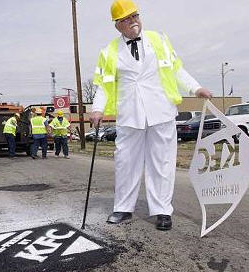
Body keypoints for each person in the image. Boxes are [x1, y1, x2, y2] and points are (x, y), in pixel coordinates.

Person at [90, 0, 212, 230]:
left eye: (134, 15)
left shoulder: (160, 40)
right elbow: (103, 85)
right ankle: (123, 208)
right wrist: (97, 108)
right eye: (126, 19)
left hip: (161, 112)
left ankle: (163, 211)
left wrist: (196, 89)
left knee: (162, 163)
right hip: (129, 115)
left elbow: (177, 71)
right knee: (125, 163)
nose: (132, 21)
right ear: (117, 25)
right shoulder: (108, 52)